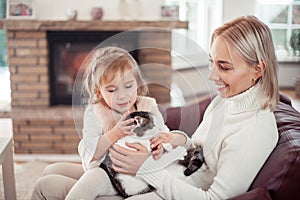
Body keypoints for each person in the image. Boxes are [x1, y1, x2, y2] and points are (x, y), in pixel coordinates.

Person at [108, 15, 279, 200]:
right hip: (170, 179)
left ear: (258, 70)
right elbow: (201, 155)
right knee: (81, 180)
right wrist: (177, 139)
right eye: (212, 62)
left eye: (225, 68)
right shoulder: (225, 101)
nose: (212, 76)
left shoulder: (255, 130)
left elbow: (214, 198)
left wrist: (146, 169)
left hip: (170, 190)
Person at [31, 46, 188, 200]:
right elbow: (90, 152)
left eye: (128, 86)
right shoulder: (96, 112)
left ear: (137, 84)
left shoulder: (147, 107)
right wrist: (115, 133)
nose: (122, 96)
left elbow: (164, 136)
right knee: (51, 170)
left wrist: (160, 146)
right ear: (100, 92)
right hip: (104, 167)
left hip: (129, 176)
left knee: (92, 179)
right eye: (112, 90)